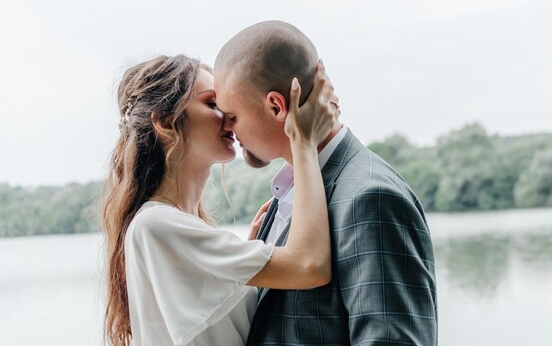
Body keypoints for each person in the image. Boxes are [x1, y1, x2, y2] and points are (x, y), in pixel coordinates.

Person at [213, 20, 438, 345]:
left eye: (232, 116)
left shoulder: (370, 198)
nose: (230, 130)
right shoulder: (286, 195)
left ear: (276, 106)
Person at [101, 54, 340, 346]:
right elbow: (309, 266)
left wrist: (246, 258)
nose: (228, 115)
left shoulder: (181, 226)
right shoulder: (156, 225)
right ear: (165, 123)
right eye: (213, 104)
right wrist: (303, 143)